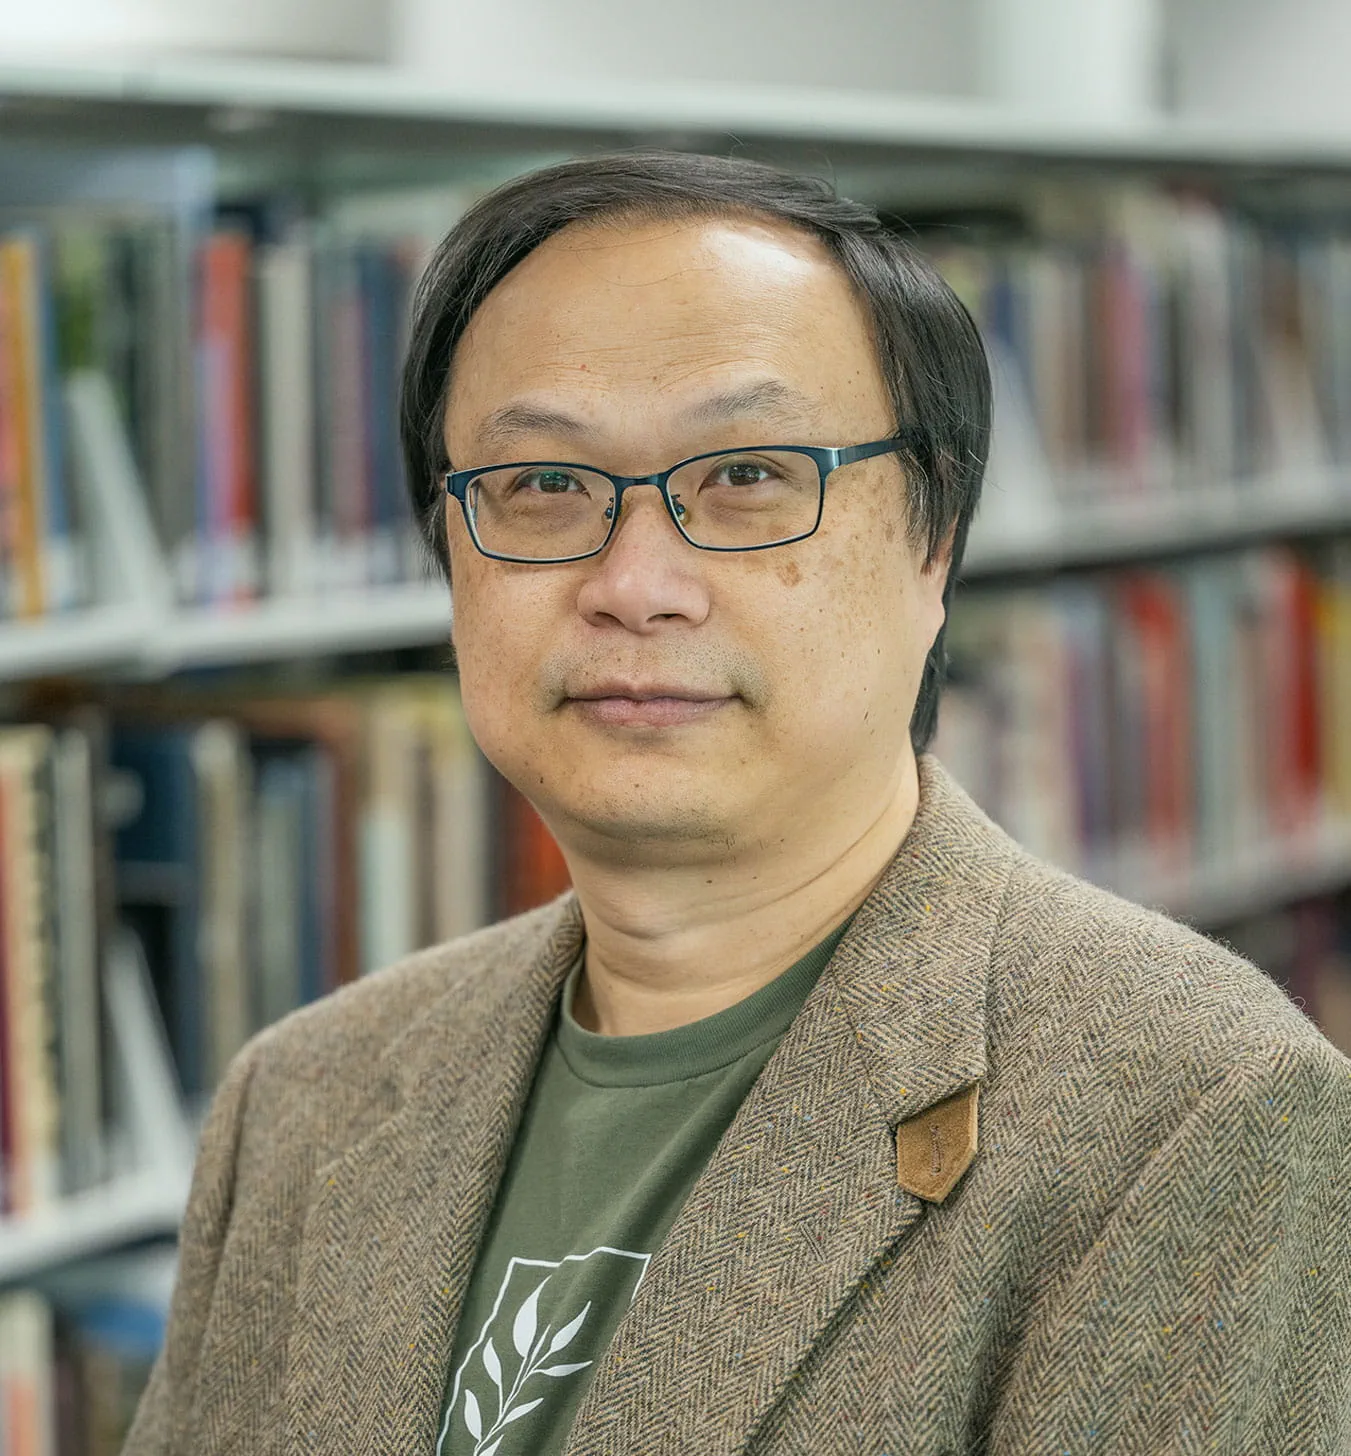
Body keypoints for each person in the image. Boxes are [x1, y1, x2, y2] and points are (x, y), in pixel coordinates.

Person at [125, 151, 1350, 1456]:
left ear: (932, 542)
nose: (634, 583)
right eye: (541, 485)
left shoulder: (1189, 1112)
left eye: (747, 477)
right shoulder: (306, 1098)